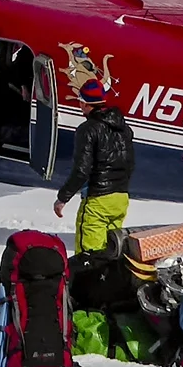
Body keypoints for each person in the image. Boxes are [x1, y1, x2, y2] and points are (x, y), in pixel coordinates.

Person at [52, 79, 135, 252]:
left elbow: (82, 170)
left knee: (89, 255)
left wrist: (63, 197)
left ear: (84, 103)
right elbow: (129, 163)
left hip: (98, 201)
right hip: (120, 200)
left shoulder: (88, 129)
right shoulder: (123, 128)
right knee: (111, 252)